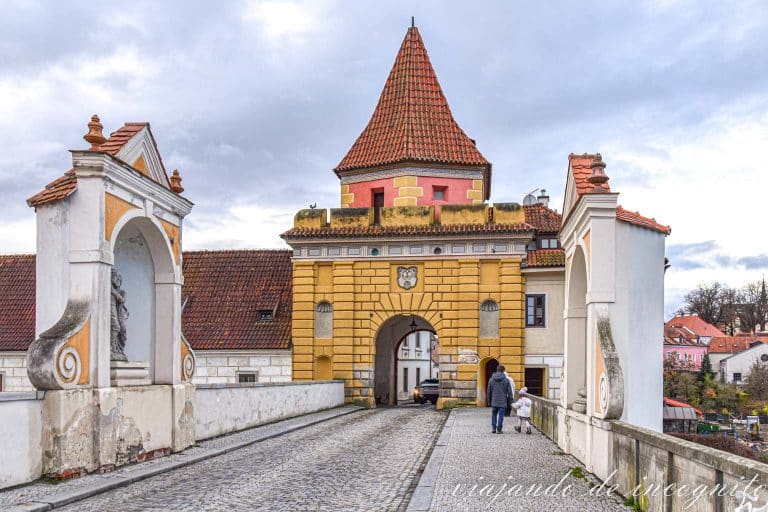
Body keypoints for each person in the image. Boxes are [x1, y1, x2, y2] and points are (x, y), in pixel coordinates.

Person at [487, 364, 513, 434]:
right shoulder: (506, 380)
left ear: (497, 370)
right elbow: (509, 392)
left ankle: (493, 428)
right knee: (501, 416)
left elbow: (489, 391)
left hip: (494, 401)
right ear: (504, 371)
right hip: (502, 401)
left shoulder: (491, 379)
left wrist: (489, 401)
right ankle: (499, 429)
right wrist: (510, 401)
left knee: (494, 415)